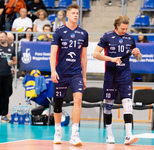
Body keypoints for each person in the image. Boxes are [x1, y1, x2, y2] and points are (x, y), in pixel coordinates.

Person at [93, 15, 142, 145]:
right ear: (116, 26)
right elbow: (95, 54)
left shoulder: (130, 38)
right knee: (108, 106)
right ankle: (109, 135)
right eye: (122, 28)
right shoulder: (107, 36)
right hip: (111, 76)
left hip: (125, 76)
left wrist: (138, 54)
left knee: (128, 105)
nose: (124, 31)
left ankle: (128, 136)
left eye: (126, 28)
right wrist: (111, 59)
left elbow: (138, 58)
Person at [50, 4, 88, 146]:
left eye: (77, 13)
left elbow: (84, 57)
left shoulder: (83, 33)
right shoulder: (59, 32)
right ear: (67, 15)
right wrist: (53, 71)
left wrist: (84, 76)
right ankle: (58, 131)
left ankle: (75, 134)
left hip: (76, 73)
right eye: (73, 13)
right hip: (61, 72)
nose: (76, 15)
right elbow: (53, 53)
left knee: (78, 99)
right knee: (58, 102)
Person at [0, 31, 17, 122]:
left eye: (2, 37)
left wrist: (12, 64)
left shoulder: (11, 49)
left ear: (6, 38)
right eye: (0, 37)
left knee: (6, 95)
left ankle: (4, 115)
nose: (1, 38)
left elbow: (15, 61)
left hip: (7, 75)